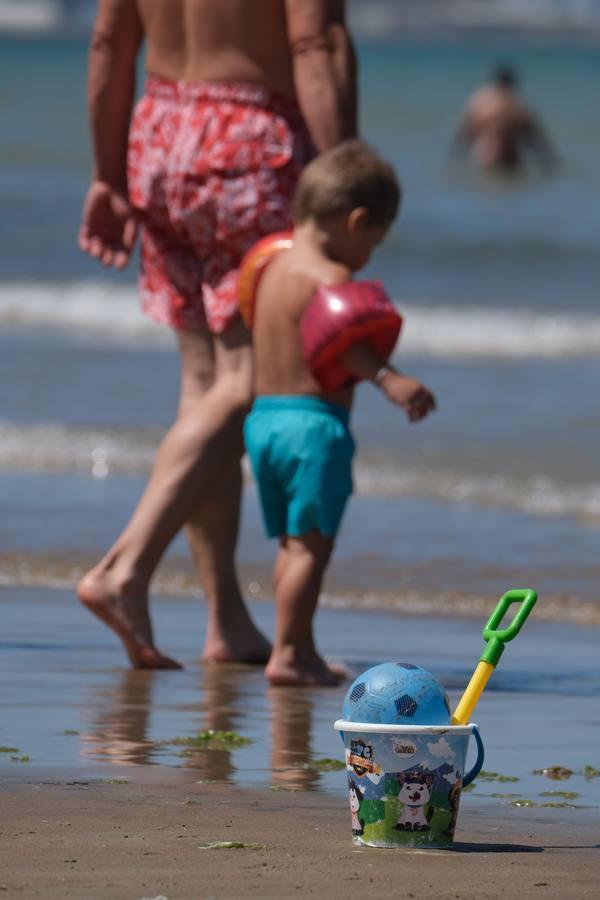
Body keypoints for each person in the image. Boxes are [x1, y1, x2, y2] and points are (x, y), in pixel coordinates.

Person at [77, 0, 358, 669]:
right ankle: (125, 567)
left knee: (205, 389)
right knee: (248, 381)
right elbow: (315, 43)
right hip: (255, 142)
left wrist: (107, 173)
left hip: (161, 130)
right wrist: (347, 175)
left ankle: (225, 619)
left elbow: (109, 43)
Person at [244, 141, 437, 686]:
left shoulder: (269, 266)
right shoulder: (328, 277)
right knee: (313, 546)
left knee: (292, 541)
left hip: (263, 419)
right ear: (356, 222)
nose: (369, 252)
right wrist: (388, 377)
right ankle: (289, 654)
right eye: (373, 239)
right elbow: (340, 339)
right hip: (313, 426)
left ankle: (297, 645)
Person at [450, 65, 558, 175]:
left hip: (483, 155)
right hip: (509, 157)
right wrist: (549, 164)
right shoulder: (518, 105)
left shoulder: (478, 103)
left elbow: (462, 135)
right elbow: (536, 140)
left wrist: (454, 163)